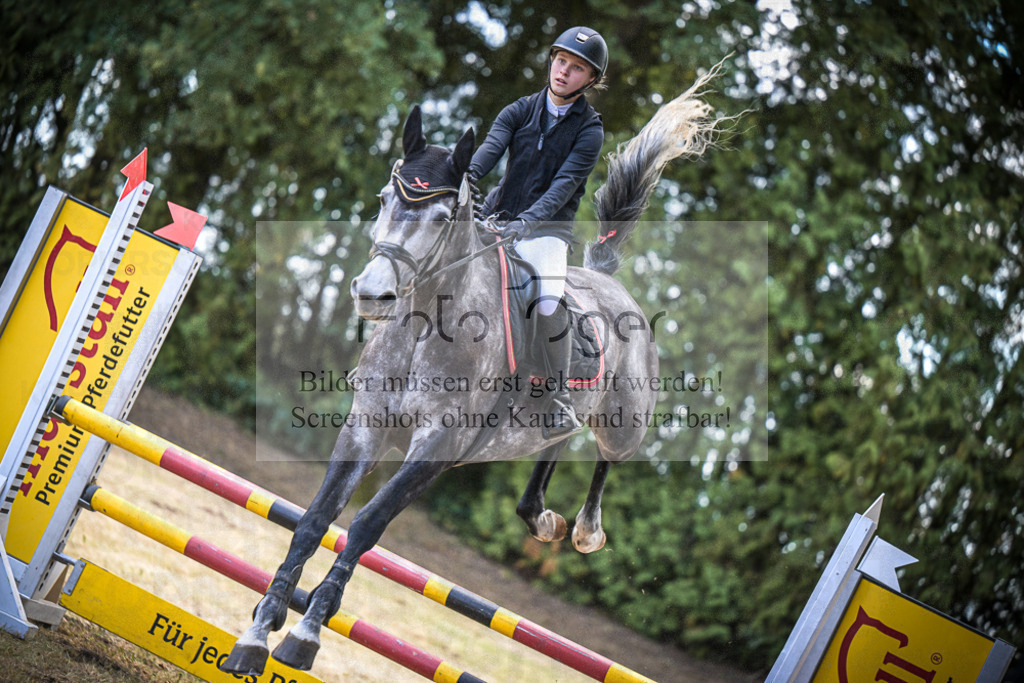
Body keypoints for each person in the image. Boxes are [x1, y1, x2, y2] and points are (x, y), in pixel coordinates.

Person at [468, 26, 608, 439]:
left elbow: (563, 186)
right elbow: (485, 156)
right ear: (551, 60)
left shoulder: (590, 131)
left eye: (577, 68)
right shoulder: (518, 111)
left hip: (547, 232)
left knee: (547, 299)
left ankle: (560, 397)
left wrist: (526, 223)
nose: (564, 72)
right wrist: (464, 182)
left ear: (591, 79)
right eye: (561, 61)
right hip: (499, 217)